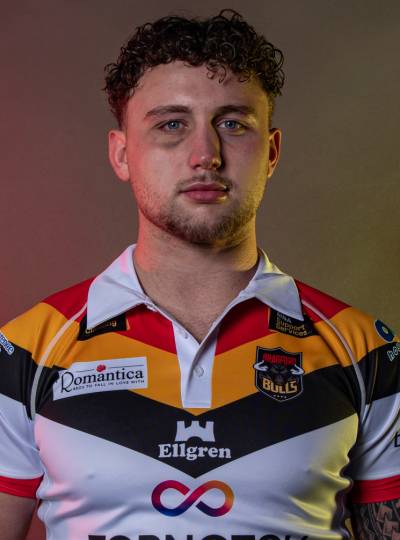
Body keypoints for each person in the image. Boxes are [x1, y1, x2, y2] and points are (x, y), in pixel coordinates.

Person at [0, 9, 399, 540]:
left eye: (232, 124)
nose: (205, 155)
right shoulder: (26, 351)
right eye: (171, 124)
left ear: (271, 152)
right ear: (122, 154)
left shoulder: (365, 352)